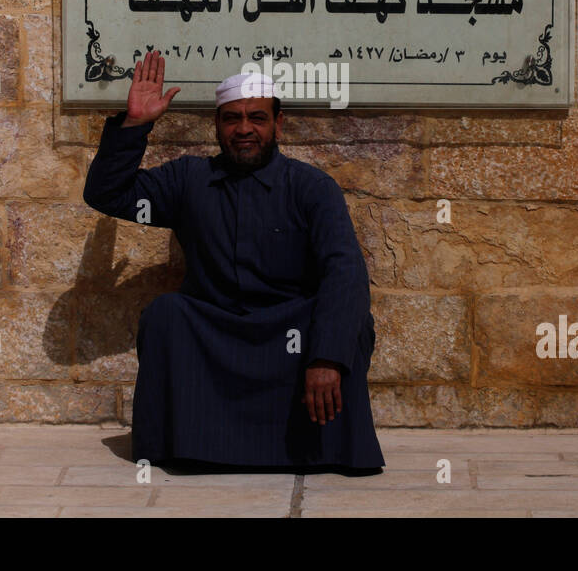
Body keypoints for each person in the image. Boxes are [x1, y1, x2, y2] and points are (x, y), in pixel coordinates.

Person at [82, 49, 385, 473]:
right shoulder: (188, 180)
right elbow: (107, 194)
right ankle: (186, 446)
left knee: (345, 324)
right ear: (218, 126)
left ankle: (314, 440)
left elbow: (345, 273)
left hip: (289, 337)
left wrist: (326, 358)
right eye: (232, 119)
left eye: (257, 118)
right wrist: (135, 125)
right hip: (219, 335)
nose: (245, 129)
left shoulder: (312, 188)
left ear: (278, 124)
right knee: (166, 314)